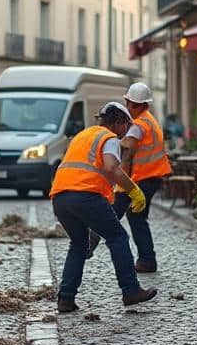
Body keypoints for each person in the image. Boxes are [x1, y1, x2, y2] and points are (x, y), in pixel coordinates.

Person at [50, 102, 159, 313]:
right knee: (118, 237)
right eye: (126, 125)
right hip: (86, 195)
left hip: (60, 197)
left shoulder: (83, 135)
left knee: (79, 245)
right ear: (118, 123)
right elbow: (111, 167)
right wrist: (133, 190)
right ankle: (130, 291)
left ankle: (65, 298)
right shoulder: (108, 139)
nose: (126, 130)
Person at [87, 83, 172, 271]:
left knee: (124, 214)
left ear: (142, 105)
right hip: (149, 176)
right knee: (126, 215)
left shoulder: (138, 125)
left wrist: (121, 183)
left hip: (143, 178)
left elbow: (127, 151)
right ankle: (146, 259)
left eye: (134, 105)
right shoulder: (148, 119)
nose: (130, 107)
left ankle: (145, 260)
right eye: (129, 103)